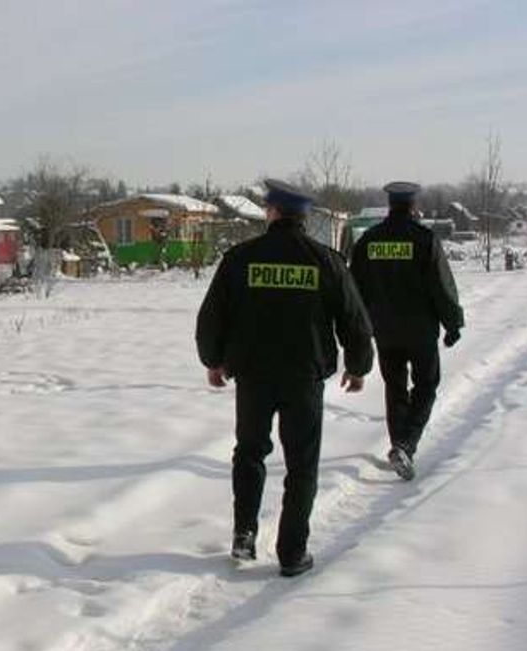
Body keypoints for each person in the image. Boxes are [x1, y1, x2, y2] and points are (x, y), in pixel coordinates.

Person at [196, 180, 374, 576]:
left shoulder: (241, 258)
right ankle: (292, 553)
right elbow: (353, 318)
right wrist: (358, 365)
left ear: (272, 212)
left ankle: (244, 534)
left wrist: (213, 359)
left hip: (254, 376)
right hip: (304, 378)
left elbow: (212, 315)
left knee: (249, 452)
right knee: (301, 464)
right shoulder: (325, 260)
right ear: (304, 215)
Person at [348, 181, 465, 481]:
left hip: (384, 331)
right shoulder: (424, 240)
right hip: (420, 331)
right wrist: (453, 323)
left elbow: (354, 289)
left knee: (395, 387)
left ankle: (399, 444)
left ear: (390, 205)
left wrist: (359, 330)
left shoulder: (369, 241)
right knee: (426, 386)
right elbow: (441, 286)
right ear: (413, 206)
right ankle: (405, 444)